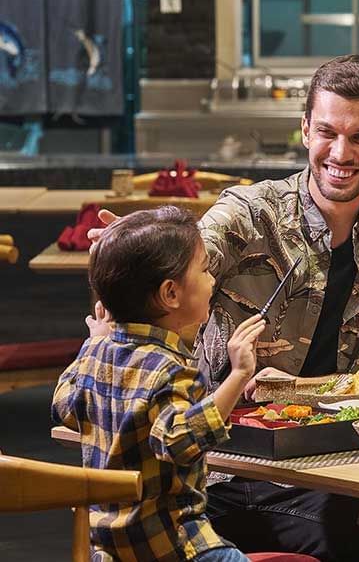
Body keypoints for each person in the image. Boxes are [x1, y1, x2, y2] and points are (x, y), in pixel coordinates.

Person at [88, 54, 359, 560]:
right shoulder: (250, 211)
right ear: (305, 129)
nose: (340, 152)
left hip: (341, 465)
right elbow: (173, 276)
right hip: (221, 465)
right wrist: (134, 260)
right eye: (327, 131)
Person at [53, 206, 267, 562]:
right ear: (171, 294)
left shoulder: (95, 355)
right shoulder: (173, 370)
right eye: (204, 270)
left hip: (108, 551)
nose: (213, 280)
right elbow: (181, 441)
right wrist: (239, 375)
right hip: (173, 547)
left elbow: (64, 405)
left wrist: (94, 342)